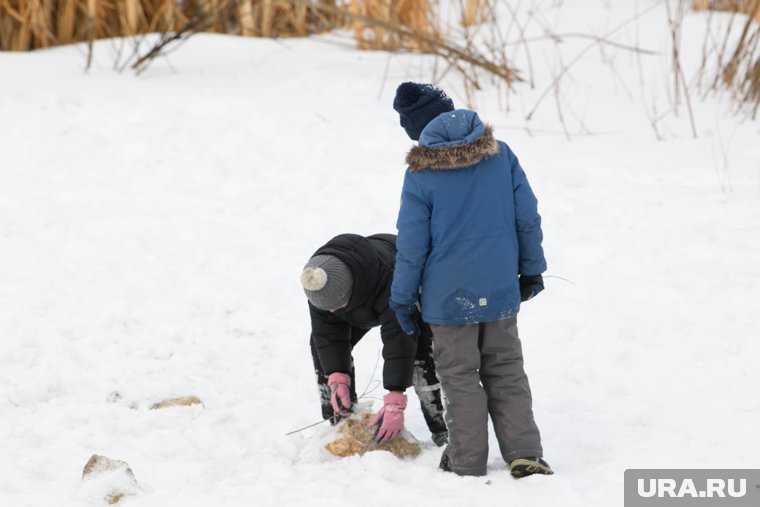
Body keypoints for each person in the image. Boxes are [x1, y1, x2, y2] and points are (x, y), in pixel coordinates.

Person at [389, 82, 553, 478]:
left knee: (459, 375)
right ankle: (525, 453)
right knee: (506, 367)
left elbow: (412, 246)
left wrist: (402, 299)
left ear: (415, 128)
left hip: (448, 298)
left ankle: (467, 460)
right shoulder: (501, 154)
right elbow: (526, 217)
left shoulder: (421, 172)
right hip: (499, 287)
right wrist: (532, 269)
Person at [300, 232, 448, 446]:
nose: (331, 310)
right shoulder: (318, 281)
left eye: (336, 305)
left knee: (419, 354)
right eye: (327, 308)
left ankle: (441, 428)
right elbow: (328, 335)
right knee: (320, 347)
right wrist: (337, 375)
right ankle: (341, 418)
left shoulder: (391, 279)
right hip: (360, 300)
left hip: (409, 290)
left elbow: (400, 340)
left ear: (351, 293)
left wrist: (395, 398)